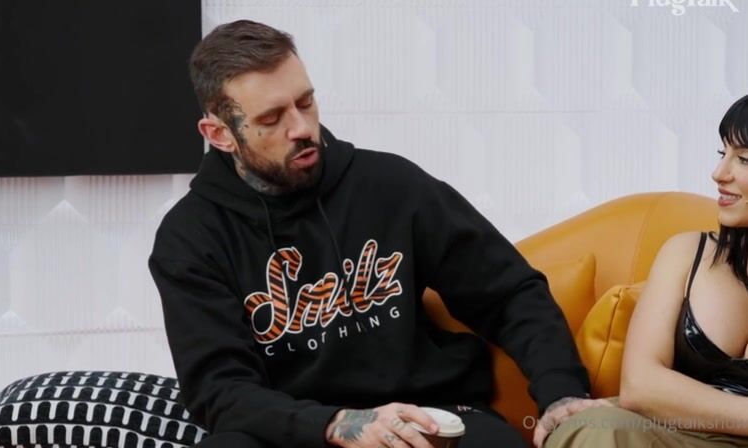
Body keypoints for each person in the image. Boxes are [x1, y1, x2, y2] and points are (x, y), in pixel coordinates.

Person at [149, 19, 600, 448]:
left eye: (305, 103)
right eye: (271, 119)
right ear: (220, 135)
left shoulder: (390, 187)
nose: (302, 128)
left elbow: (507, 293)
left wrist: (561, 391)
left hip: (426, 416)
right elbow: (220, 390)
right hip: (294, 433)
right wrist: (335, 424)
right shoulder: (191, 238)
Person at [544, 94, 748, 447]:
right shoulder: (687, 253)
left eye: (743, 159)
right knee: (590, 427)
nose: (719, 174)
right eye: (722, 153)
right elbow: (640, 386)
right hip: (680, 435)